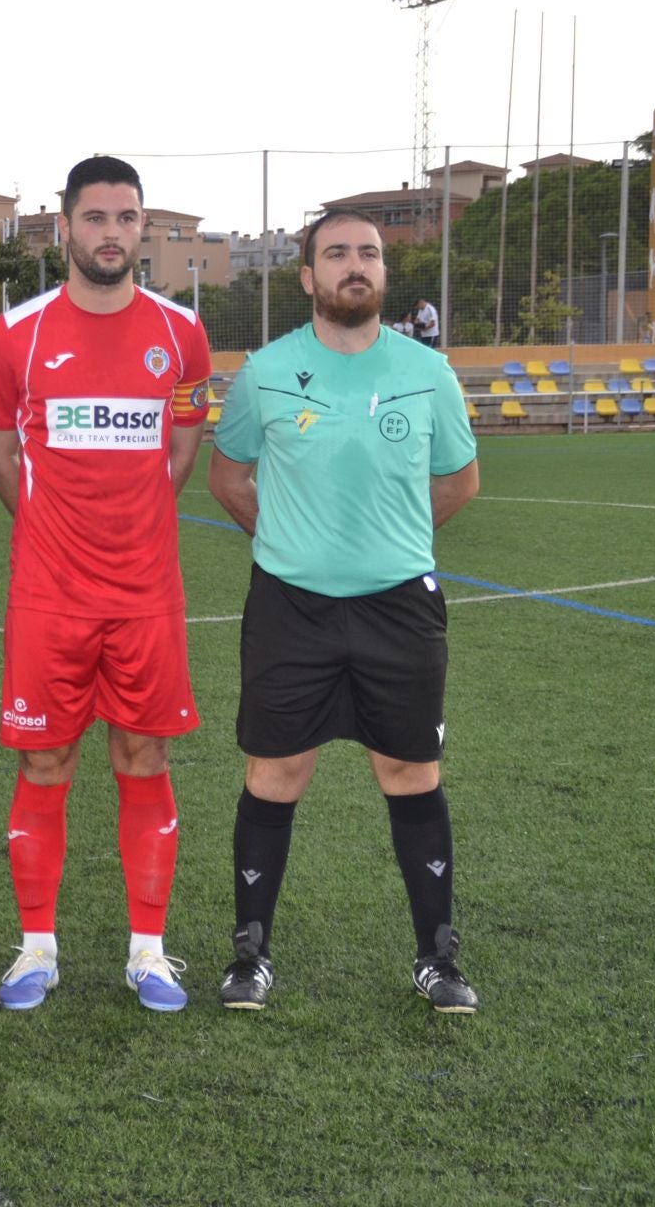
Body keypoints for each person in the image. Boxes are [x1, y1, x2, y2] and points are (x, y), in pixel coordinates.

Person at [208, 208, 481, 1014]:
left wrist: (385, 542)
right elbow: (228, 480)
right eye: (336, 254)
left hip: (401, 606)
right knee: (276, 773)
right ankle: (251, 953)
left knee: (410, 774)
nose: (354, 265)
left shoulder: (428, 372)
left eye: (368, 253)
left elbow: (460, 482)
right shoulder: (265, 372)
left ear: (383, 275)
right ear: (307, 277)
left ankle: (437, 957)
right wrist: (299, 543)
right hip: (292, 607)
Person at [0, 156, 213, 1014]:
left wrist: (134, 520)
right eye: (96, 216)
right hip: (48, 593)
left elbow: (182, 446)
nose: (111, 231)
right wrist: (50, 526)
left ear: (140, 227)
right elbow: (0, 452)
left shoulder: (182, 333)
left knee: (142, 755)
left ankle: (147, 953)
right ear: (64, 226)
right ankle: (37, 948)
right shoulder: (18, 335)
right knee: (47, 759)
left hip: (147, 593)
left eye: (126, 216)